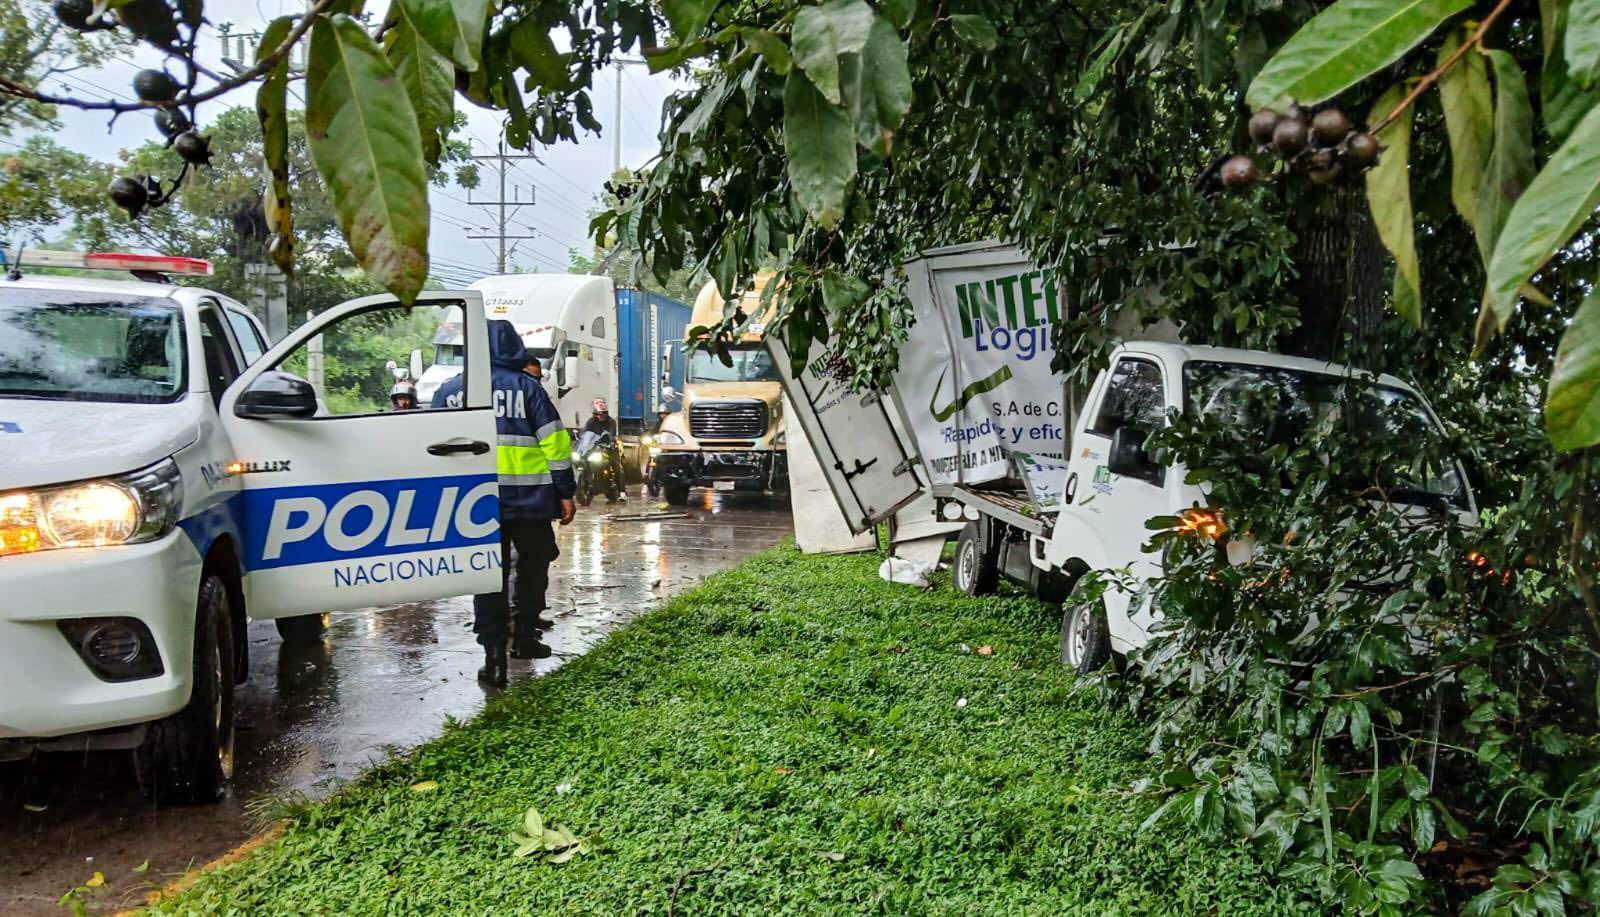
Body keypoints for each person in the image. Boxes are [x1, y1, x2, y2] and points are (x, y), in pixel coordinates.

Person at [431, 320, 575, 687]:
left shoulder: (449, 391)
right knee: (532, 569)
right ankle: (525, 639)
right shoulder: (528, 389)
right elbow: (555, 445)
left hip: (473, 506)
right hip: (529, 501)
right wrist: (565, 492)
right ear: (512, 347)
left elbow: (429, 448)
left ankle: (493, 657)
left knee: (487, 577)